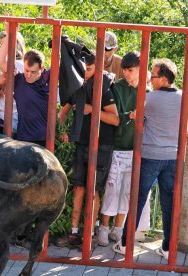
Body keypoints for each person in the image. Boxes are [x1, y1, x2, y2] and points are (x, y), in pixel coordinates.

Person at [113, 58, 181, 261]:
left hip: (151, 156)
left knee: (138, 199)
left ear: (163, 78)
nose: (150, 79)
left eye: (153, 76)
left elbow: (136, 116)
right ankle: (168, 248)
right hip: (173, 157)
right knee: (168, 203)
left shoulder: (149, 99)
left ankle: (126, 245)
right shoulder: (182, 98)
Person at [55, 53, 119, 247]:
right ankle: (74, 233)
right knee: (79, 188)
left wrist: (92, 109)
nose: (86, 74)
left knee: (93, 190)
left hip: (101, 146)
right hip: (81, 144)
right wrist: (64, 131)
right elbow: (62, 113)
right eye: (83, 70)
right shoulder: (76, 87)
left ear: (97, 69)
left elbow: (115, 119)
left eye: (89, 70)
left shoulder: (105, 89)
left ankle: (90, 234)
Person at [98, 51, 151, 246]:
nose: (127, 74)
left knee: (129, 192)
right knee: (112, 189)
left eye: (131, 70)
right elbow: (115, 117)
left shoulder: (148, 90)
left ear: (140, 69)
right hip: (118, 145)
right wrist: (129, 116)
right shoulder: (116, 88)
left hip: (138, 149)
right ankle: (103, 228)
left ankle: (118, 229)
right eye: (125, 70)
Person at [0, 29, 25, 135]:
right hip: (7, 116)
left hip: (9, 118)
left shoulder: (16, 64)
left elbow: (0, 61)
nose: (2, 49)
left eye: (6, 44)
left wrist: (10, 30)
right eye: (2, 45)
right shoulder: (19, 64)